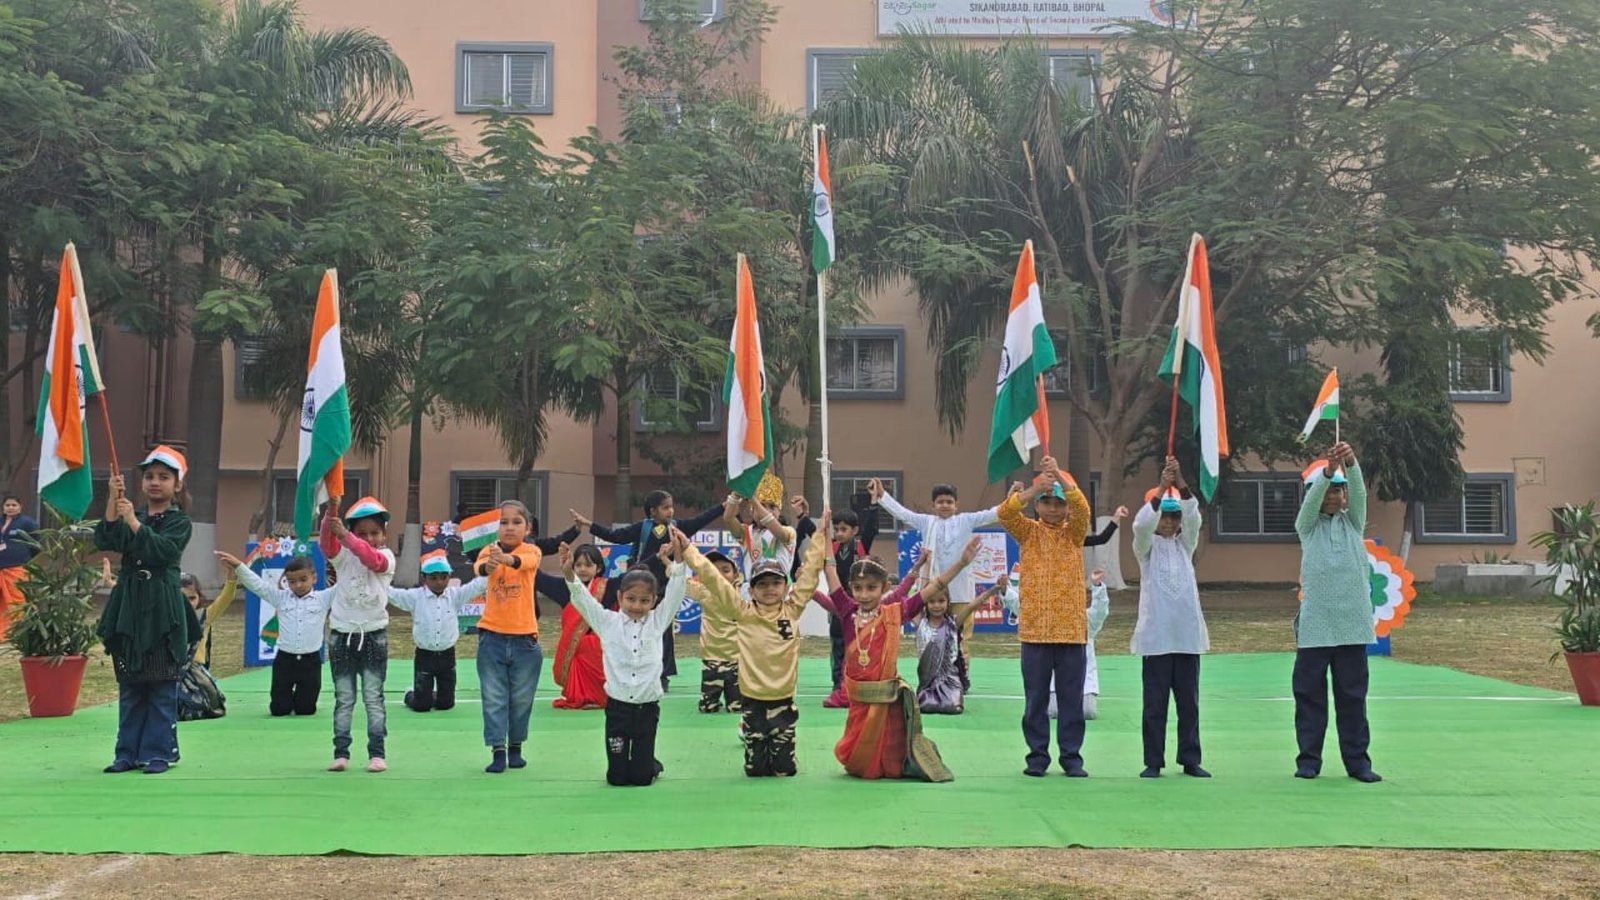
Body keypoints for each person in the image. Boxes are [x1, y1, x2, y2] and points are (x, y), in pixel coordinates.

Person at [684, 510, 830, 778]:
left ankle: (785, 752)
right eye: (762, 584)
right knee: (755, 770)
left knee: (784, 771)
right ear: (751, 590)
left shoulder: (792, 610)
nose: (770, 589)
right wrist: (688, 550)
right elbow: (714, 579)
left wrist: (820, 535)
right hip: (752, 701)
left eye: (776, 583)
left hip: (783, 700)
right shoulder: (743, 612)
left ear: (785, 587)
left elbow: (810, 573)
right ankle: (753, 743)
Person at [824, 542, 978, 781]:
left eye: (871, 588)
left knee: (889, 755)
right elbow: (830, 571)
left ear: (885, 587)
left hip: (886, 697)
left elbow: (935, 586)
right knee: (857, 757)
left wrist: (961, 563)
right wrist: (825, 535)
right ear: (850, 588)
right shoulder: (847, 611)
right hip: (859, 698)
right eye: (858, 588)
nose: (864, 595)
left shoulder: (894, 612)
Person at [94, 446, 200, 774]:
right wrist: (112, 500)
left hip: (162, 606)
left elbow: (162, 551)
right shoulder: (134, 513)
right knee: (131, 682)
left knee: (161, 682)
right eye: (150, 476)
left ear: (177, 485)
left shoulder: (179, 521)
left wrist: (132, 521)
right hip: (130, 603)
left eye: (164, 477)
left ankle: (159, 752)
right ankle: (126, 752)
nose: (155, 482)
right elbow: (107, 539)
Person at [559, 531, 691, 786]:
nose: (637, 606)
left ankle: (650, 765)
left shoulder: (657, 621)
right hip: (617, 709)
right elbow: (584, 601)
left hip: (647, 708)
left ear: (654, 601)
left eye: (644, 600)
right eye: (631, 599)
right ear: (619, 597)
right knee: (616, 778)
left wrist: (679, 559)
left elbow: (676, 592)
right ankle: (636, 764)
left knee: (641, 779)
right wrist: (569, 575)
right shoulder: (607, 622)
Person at [998, 456, 1093, 777]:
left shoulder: (1075, 534)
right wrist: (1033, 489)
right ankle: (1037, 757)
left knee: (1071, 701)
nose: (1053, 509)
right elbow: (1005, 513)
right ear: (1037, 506)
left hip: (1071, 633)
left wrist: (1061, 480)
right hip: (1035, 632)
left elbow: (1083, 510)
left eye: (1058, 504)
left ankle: (1071, 757)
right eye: (1046, 502)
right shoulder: (1027, 533)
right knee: (1035, 700)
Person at [1293, 441, 1382, 783]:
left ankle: (1358, 763)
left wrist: (1351, 463)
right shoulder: (1307, 527)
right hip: (1316, 628)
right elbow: (1310, 506)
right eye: (1328, 490)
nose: (1333, 496)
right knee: (1309, 697)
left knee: (1352, 698)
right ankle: (1308, 761)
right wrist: (1328, 471)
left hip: (1352, 626)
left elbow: (1360, 495)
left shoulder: (1354, 524)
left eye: (1338, 491)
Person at [578, 489, 725, 691]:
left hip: (664, 589)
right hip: (642, 586)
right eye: (665, 508)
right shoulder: (643, 528)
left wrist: (723, 507)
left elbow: (701, 519)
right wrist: (589, 525)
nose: (670, 511)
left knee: (664, 633)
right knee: (634, 631)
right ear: (653, 511)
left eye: (671, 507)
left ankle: (663, 675)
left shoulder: (677, 528)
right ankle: (632, 669)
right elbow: (616, 536)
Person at [1131, 458, 1211, 779]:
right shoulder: (1145, 549)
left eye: (1173, 516)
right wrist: (1162, 488)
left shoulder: (1186, 545)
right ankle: (1153, 761)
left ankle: (1190, 759)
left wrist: (1181, 483)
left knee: (1189, 704)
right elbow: (1140, 526)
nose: (1168, 522)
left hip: (1187, 638)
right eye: (1164, 515)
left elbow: (1194, 518)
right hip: (1157, 638)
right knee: (1155, 705)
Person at [872, 478, 1003, 666]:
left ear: (957, 505)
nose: (945, 505)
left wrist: (1013, 498)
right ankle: (931, 673)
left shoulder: (966, 520)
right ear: (933, 505)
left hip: (961, 592)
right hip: (933, 593)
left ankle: (961, 674)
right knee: (930, 637)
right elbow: (902, 514)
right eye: (940, 502)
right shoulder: (927, 522)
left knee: (961, 638)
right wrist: (883, 495)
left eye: (949, 502)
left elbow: (993, 514)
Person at [321, 496, 396, 773]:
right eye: (361, 533)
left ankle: (377, 753)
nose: (369, 538)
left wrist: (347, 537)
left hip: (374, 636)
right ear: (351, 532)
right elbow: (327, 544)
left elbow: (372, 559)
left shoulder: (387, 557)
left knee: (373, 698)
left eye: (375, 532)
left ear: (384, 535)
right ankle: (341, 753)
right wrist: (332, 509)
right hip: (342, 636)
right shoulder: (342, 557)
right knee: (344, 699)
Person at [471, 499, 544, 773]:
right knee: (493, 697)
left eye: (516, 522)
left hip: (525, 640)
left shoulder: (532, 551)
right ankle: (497, 750)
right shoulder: (488, 550)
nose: (509, 527)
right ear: (495, 527)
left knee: (522, 699)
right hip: (491, 638)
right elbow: (479, 568)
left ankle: (516, 747)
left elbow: (525, 562)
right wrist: (489, 564)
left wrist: (507, 559)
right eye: (503, 522)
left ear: (528, 527)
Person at [793, 494, 880, 708]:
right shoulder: (831, 548)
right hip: (838, 606)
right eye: (837, 529)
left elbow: (871, 528)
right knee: (837, 644)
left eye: (844, 529)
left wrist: (874, 503)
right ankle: (837, 685)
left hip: (858, 605)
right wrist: (803, 515)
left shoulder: (861, 547)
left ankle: (857, 681)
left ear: (854, 531)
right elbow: (813, 533)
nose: (839, 533)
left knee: (857, 645)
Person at [219, 552, 330, 717]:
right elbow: (257, 585)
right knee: (279, 710)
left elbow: (344, 586)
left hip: (311, 661)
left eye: (303, 579)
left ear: (314, 578)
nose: (298, 585)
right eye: (292, 581)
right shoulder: (280, 597)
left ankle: (302, 698)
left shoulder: (323, 598)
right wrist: (238, 566)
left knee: (306, 710)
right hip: (285, 660)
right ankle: (284, 700)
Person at [1001, 566, 1110, 721]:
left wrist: (1098, 586)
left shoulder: (1084, 619)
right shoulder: (1045, 616)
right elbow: (1023, 609)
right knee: (1052, 710)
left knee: (1087, 711)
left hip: (1083, 683)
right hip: (1053, 683)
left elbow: (1100, 611)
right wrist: (1006, 591)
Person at [387, 551, 487, 713]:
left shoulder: (455, 595)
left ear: (449, 577)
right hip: (424, 655)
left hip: (447, 655)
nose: (439, 582)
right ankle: (411, 694)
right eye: (433, 578)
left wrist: (490, 570)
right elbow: (392, 594)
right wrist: (377, 581)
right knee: (421, 706)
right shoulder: (415, 597)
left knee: (446, 704)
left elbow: (476, 586)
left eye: (443, 577)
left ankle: (428, 693)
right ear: (424, 578)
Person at [534, 543, 616, 710]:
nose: (582, 569)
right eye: (578, 565)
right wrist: (522, 553)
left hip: (600, 650)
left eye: (588, 565)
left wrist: (659, 557)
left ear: (599, 568)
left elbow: (637, 576)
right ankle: (579, 694)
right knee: (583, 645)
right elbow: (537, 577)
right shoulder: (564, 587)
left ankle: (599, 696)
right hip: (573, 650)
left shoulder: (608, 587)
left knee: (591, 644)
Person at [915, 578, 987, 715]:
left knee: (952, 707)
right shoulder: (920, 622)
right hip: (927, 684)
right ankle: (928, 696)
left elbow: (971, 606)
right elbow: (914, 599)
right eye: (932, 601)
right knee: (926, 706)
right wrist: (921, 568)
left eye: (941, 601)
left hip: (950, 681)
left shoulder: (953, 623)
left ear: (948, 602)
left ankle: (952, 695)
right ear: (926, 603)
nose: (936, 605)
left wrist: (995, 589)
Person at [692, 549, 742, 714]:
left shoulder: (743, 595)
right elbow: (678, 579)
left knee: (737, 708)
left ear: (736, 575)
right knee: (707, 708)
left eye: (725, 570)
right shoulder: (702, 591)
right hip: (711, 659)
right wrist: (668, 561)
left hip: (737, 660)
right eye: (713, 571)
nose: (719, 575)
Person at [0, 494, 40, 642]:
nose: (10, 508)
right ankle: (3, 632)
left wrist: (22, 556)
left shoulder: (27, 523)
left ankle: (20, 631)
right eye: (7, 505)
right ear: (3, 507)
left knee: (17, 599)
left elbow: (36, 545)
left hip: (16, 567)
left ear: (20, 507)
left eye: (14, 505)